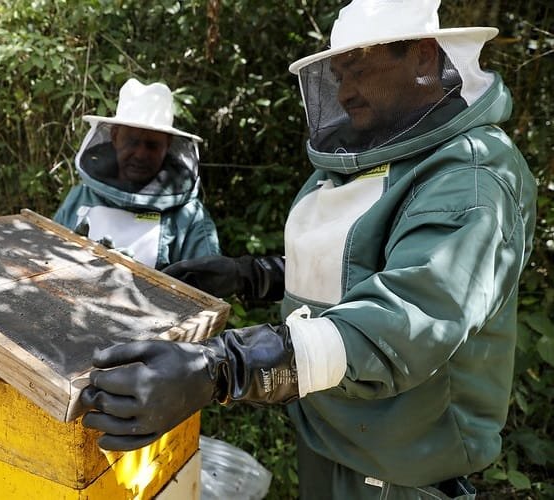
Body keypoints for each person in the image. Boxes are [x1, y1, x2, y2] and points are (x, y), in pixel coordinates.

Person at [78, 0, 537, 498]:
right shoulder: (376, 158)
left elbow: (405, 321)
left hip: (399, 467)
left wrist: (223, 367)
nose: (344, 92)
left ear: (424, 57)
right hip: (330, 434)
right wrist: (253, 275)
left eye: (358, 70)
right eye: (338, 76)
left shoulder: (470, 178)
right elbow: (354, 266)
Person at [53, 78, 220, 269]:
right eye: (132, 142)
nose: (140, 154)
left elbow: (206, 285)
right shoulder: (80, 197)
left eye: (152, 145)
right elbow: (47, 263)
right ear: (115, 136)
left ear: (168, 144)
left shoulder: (190, 217)